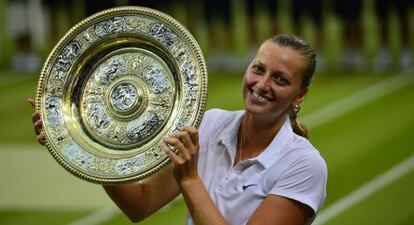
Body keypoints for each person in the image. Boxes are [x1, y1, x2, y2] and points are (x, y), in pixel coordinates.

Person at [29, 34, 327, 225]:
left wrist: (189, 179)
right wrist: (78, 143)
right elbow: (140, 204)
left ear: (300, 95)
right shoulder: (210, 124)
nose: (262, 85)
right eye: (258, 69)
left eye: (280, 79)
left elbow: (188, 183)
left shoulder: (304, 165)